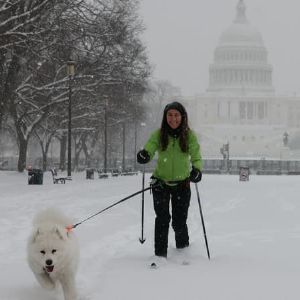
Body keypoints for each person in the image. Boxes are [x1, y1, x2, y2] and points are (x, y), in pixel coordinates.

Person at [137, 101, 202, 266]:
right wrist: (145, 154)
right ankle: (160, 255)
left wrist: (197, 169)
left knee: (179, 222)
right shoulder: (159, 135)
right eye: (170, 115)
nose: (173, 119)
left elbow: (196, 154)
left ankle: (183, 250)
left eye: (176, 115)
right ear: (165, 117)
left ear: (183, 117)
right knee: (162, 219)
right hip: (161, 184)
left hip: (182, 184)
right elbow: (151, 147)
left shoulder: (189, 136)